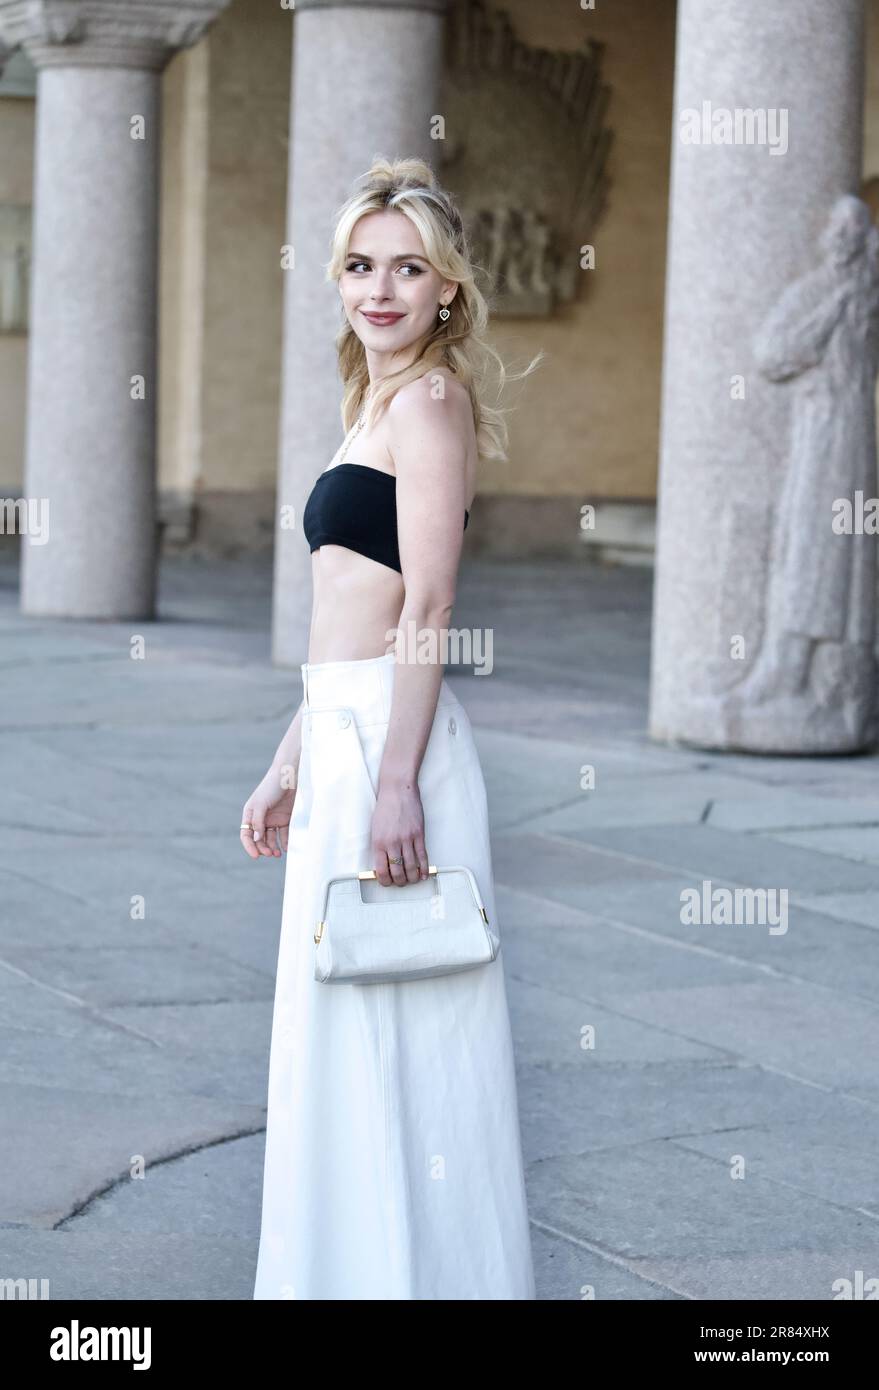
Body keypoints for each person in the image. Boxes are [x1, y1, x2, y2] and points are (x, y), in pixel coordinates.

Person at [246, 155, 541, 1300]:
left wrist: (397, 779)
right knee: (342, 1032)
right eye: (362, 266)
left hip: (395, 749)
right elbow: (341, 620)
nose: (381, 289)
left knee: (411, 1035)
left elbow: (427, 604)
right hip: (345, 733)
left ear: (448, 290)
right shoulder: (371, 400)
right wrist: (288, 761)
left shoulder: (430, 401)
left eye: (409, 268)